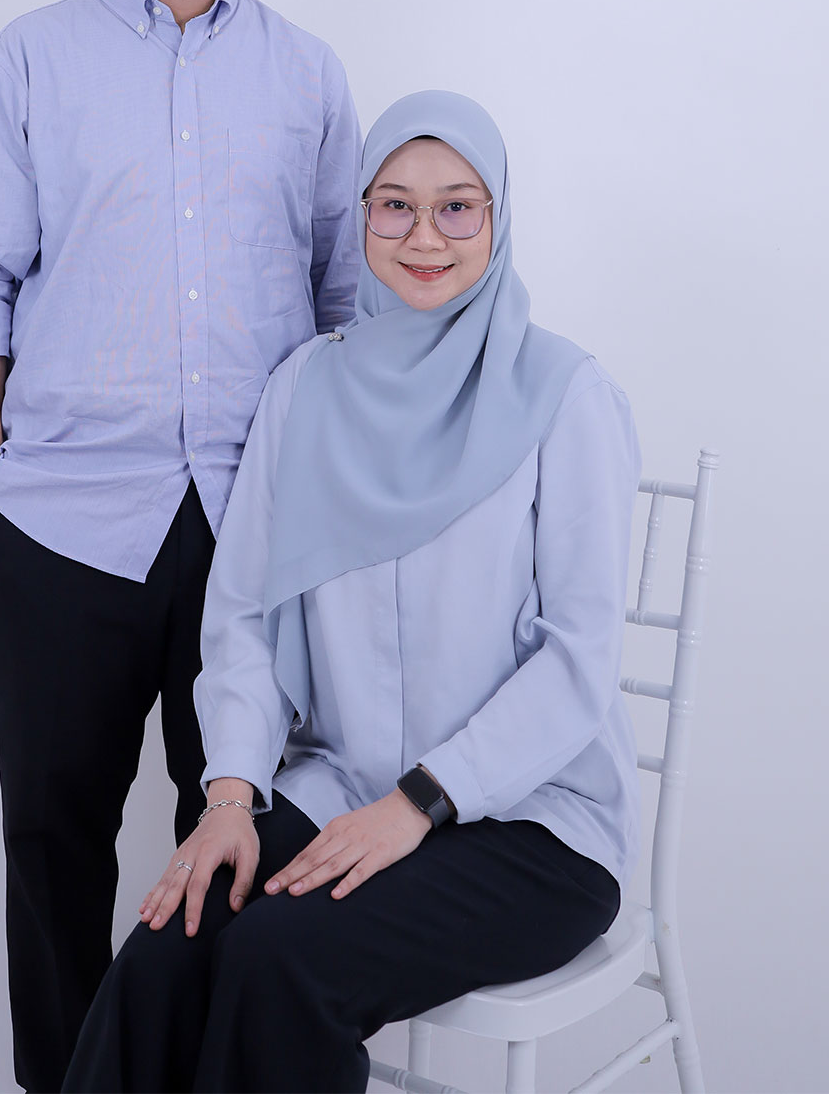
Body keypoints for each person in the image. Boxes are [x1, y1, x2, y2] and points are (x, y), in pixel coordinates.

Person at [0, 0, 360, 1093]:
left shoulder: (307, 73)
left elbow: (345, 299)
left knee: (239, 835)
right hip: (60, 524)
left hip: (255, 526)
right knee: (53, 843)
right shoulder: (30, 60)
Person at [63, 90, 642, 1094]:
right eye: (395, 206)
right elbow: (243, 620)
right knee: (168, 946)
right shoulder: (306, 389)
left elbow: (578, 664)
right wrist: (230, 799)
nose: (425, 236)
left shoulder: (565, 395)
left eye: (457, 206)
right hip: (343, 791)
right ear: (363, 216)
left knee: (278, 960)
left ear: (499, 217)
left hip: (536, 825)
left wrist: (421, 802)